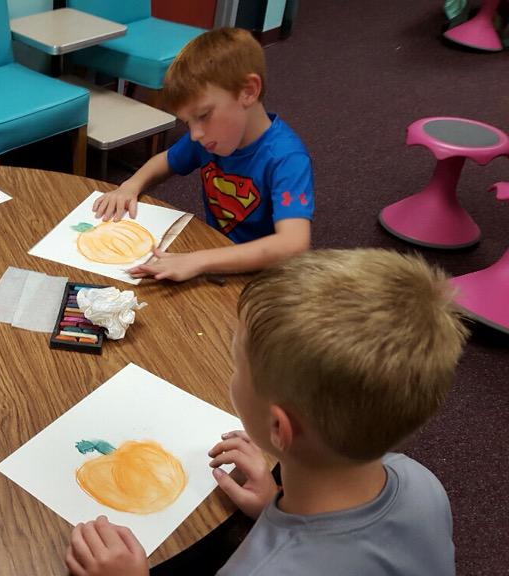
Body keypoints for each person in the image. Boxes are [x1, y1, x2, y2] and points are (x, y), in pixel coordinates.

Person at [64, 249, 465, 576]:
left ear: (278, 428)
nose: (233, 372)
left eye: (238, 365)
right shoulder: (419, 481)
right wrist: (274, 502)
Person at [93, 28, 313, 283]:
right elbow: (164, 161)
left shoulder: (287, 159)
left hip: (267, 280)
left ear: (249, 91)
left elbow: (294, 245)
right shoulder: (208, 138)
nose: (195, 134)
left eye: (203, 115)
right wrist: (131, 185)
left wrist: (199, 260)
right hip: (215, 259)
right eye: (188, 123)